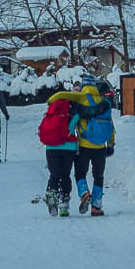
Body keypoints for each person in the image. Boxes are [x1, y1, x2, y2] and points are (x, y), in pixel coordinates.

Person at [70, 82, 115, 215]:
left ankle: (84, 193)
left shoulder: (82, 102)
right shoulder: (104, 103)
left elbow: (72, 124)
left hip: (84, 146)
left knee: (80, 173)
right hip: (101, 147)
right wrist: (111, 144)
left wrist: (70, 137)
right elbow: (110, 126)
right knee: (98, 176)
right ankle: (96, 206)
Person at [38, 88, 83, 216]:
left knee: (54, 174)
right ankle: (64, 204)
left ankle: (51, 191)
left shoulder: (53, 109)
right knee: (65, 175)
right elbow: (74, 127)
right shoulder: (74, 110)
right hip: (68, 147)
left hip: (51, 147)